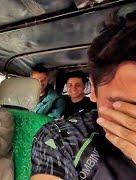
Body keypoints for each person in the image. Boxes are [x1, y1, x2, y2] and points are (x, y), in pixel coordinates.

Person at [31, 10, 136, 180]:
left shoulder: (58, 101)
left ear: (86, 88)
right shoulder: (63, 135)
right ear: (94, 90)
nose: (73, 89)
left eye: (77, 85)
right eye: (123, 106)